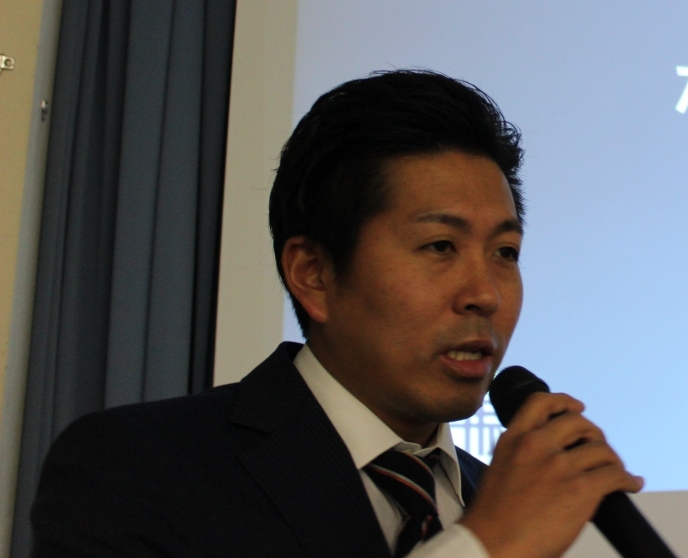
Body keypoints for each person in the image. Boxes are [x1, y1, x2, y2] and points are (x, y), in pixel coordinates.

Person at [32, 70, 644, 558]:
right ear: (314, 274)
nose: (485, 293)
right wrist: (484, 547)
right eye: (440, 247)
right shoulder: (139, 469)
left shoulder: (494, 497)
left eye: (505, 252)